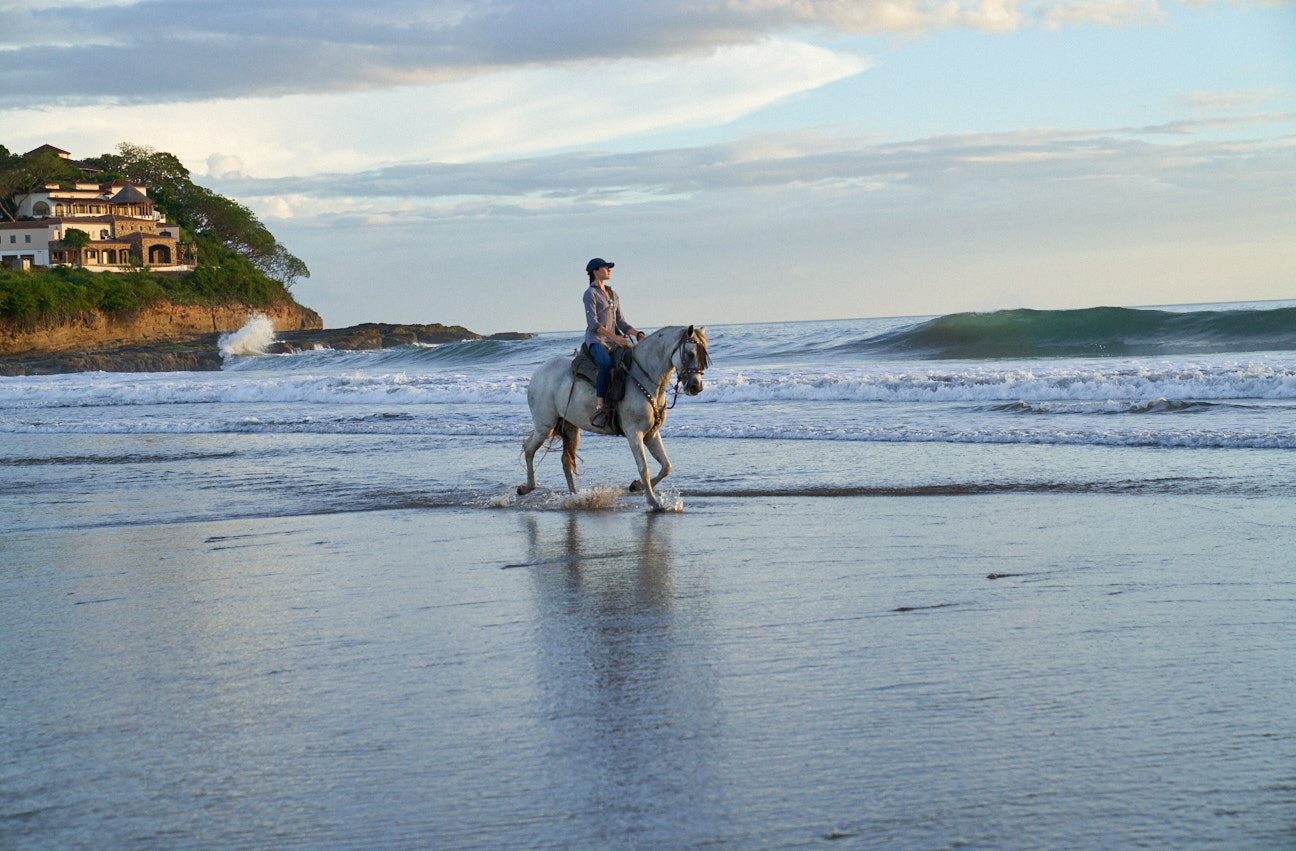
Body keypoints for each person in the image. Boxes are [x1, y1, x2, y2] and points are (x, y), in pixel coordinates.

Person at [583, 257, 645, 427]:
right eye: (605, 268)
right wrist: (616, 338)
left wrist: (637, 333)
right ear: (595, 271)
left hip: (613, 341)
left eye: (609, 268)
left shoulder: (613, 294)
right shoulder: (590, 294)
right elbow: (593, 324)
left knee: (633, 360)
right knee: (605, 363)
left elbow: (621, 322)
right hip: (597, 340)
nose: (609, 270)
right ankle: (600, 406)